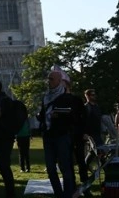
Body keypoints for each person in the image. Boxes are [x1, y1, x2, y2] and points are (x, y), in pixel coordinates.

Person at [37, 69, 78, 198]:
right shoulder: (46, 96)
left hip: (61, 135)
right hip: (48, 135)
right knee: (50, 168)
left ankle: (67, 194)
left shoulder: (67, 97)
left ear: (59, 81)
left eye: (51, 79)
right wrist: (40, 117)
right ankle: (59, 194)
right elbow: (43, 114)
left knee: (65, 167)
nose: (48, 82)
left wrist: (59, 115)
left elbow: (73, 117)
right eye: (48, 79)